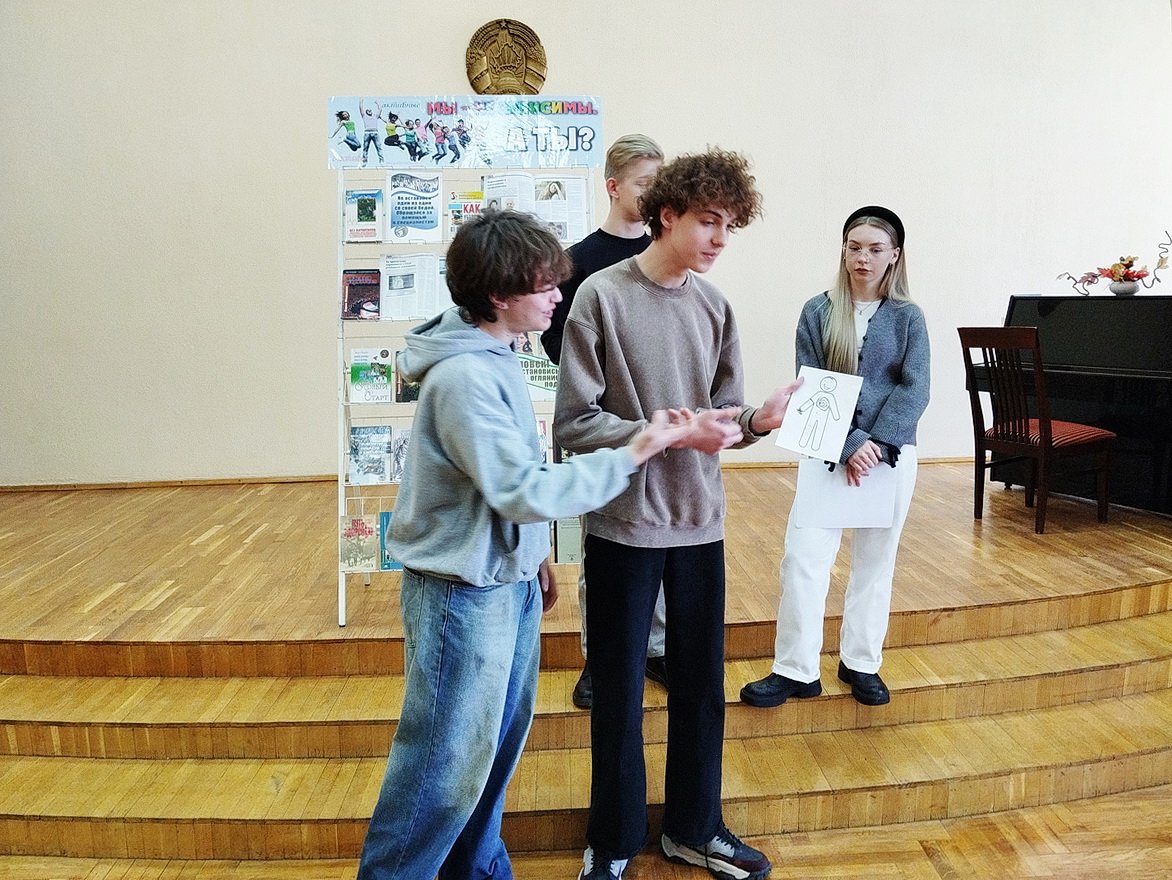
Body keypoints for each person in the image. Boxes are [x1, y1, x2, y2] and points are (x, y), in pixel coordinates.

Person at [355, 209, 687, 880]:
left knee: (490, 757)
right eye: (545, 285)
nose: (559, 296)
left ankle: (480, 871)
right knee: (441, 772)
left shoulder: (498, 356)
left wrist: (532, 554)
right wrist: (635, 448)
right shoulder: (464, 378)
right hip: (461, 597)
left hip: (500, 581)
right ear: (499, 294)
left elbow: (506, 479)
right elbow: (520, 489)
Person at [554, 149, 801, 880]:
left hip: (700, 521)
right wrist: (659, 434)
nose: (720, 239)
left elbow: (724, 418)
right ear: (667, 215)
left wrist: (757, 421)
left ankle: (695, 829)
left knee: (700, 686)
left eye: (730, 226)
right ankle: (613, 839)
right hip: (622, 525)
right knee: (618, 691)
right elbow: (573, 423)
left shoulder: (715, 307)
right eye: (708, 222)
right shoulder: (599, 295)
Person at [740, 206, 930, 710]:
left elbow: (915, 389)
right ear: (843, 251)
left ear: (894, 255)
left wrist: (875, 445)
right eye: (854, 247)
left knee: (875, 564)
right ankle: (795, 669)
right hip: (825, 448)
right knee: (802, 560)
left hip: (889, 458)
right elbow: (809, 386)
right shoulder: (817, 311)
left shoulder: (908, 317)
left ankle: (861, 662)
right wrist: (849, 445)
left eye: (875, 249)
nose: (863, 258)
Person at [540, 133, 665, 711]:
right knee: (605, 545)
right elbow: (554, 342)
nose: (654, 193)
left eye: (660, 182)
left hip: (662, 425)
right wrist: (606, 376)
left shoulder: (667, 256)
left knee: (662, 540)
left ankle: (655, 649)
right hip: (601, 426)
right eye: (644, 183)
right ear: (614, 186)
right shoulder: (578, 263)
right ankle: (600, 657)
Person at [358, 97, 384, 166]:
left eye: (370, 110)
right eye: (368, 110)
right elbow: (361, 108)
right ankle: (364, 161)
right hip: (367, 133)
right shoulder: (364, 116)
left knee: (379, 147)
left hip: (375, 133)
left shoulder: (375, 116)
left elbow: (380, 109)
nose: (369, 111)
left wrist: (377, 103)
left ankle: (381, 161)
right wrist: (361, 101)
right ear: (366, 112)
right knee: (365, 147)